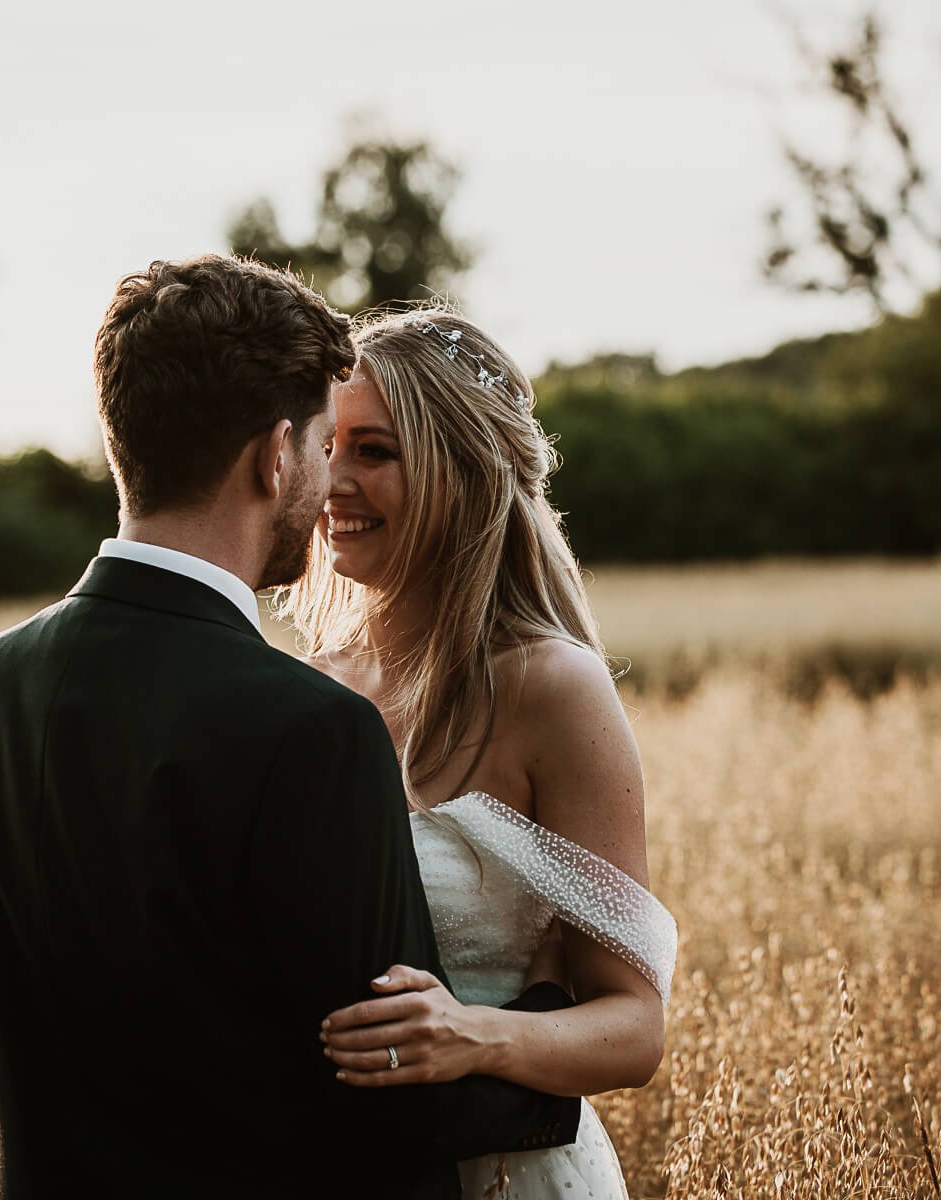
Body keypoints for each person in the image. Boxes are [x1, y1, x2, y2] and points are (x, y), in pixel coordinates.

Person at [0, 256, 584, 1200]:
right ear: (274, 456)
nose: (328, 479)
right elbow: (396, 1101)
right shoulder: (312, 729)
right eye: (320, 445)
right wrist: (548, 1009)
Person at [288, 310, 677, 1198]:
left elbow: (634, 1027)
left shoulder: (552, 687)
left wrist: (470, 1034)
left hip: (513, 1170)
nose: (334, 484)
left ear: (461, 472)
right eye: (327, 447)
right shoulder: (312, 688)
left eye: (375, 452)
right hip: (348, 1171)